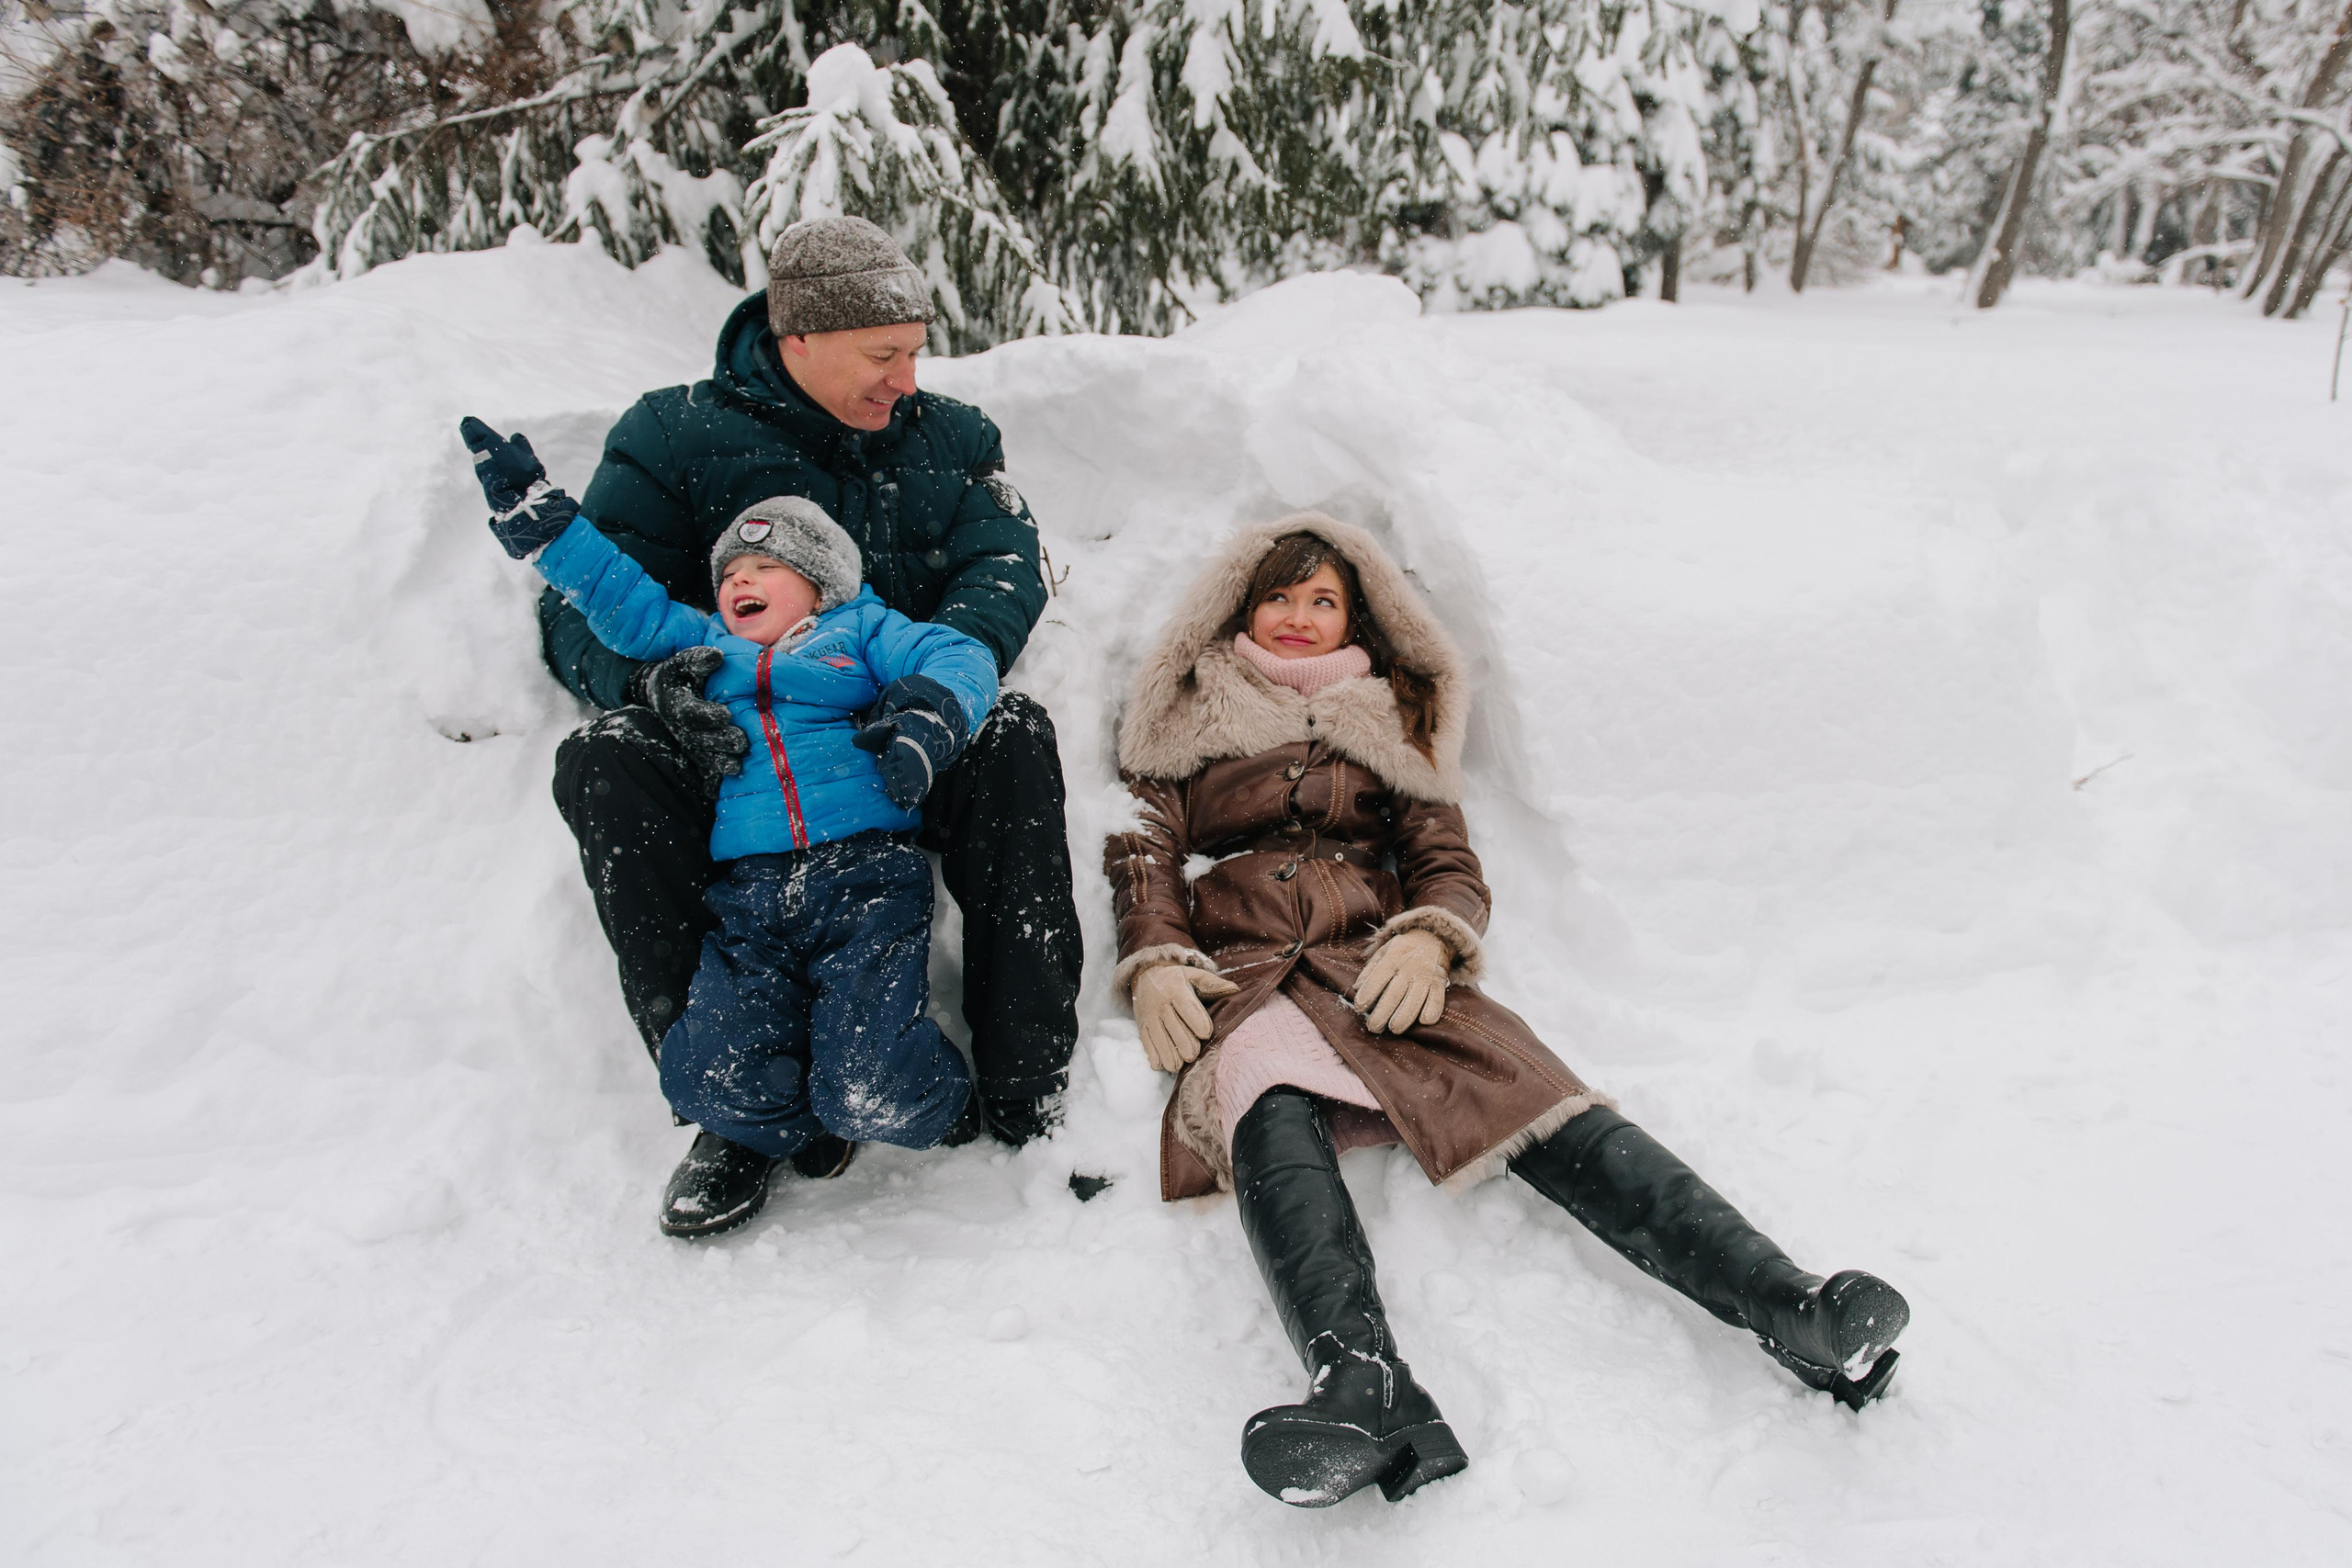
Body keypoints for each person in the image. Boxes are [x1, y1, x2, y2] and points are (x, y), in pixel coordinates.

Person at [1105, 514, 1911, 1509]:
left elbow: (1444, 856)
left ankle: (1793, 1308)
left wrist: (1430, 934)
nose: (1300, 617)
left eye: (1325, 600)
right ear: (1240, 605)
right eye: (1279, 596)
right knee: (1261, 1094)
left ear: (1358, 617)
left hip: (1374, 960)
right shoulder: (1183, 721)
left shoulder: (1392, 720)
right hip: (1252, 968)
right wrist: (1156, 960)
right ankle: (1363, 1387)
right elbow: (1140, 845)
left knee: (1536, 1098)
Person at [539, 216, 1083, 1234]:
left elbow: (1001, 567)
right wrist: (664, 691)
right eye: (885, 355)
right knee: (604, 763)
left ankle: (1026, 1082)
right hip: (744, 745)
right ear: (799, 340)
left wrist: (937, 686)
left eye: (916, 352)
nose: (907, 381)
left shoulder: (953, 437)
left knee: (1012, 734)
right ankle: (735, 1107)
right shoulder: (670, 437)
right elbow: (579, 609)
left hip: (903, 730)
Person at [465, 415, 1000, 1235]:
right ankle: (785, 1128)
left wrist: (929, 719)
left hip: (863, 880)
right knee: (712, 1070)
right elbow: (625, 603)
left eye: (766, 566)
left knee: (871, 1079)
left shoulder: (860, 632)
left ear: (822, 583)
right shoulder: (708, 648)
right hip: (749, 894)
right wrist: (548, 527)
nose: (738, 580)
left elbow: (959, 657)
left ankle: (933, 1102)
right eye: (729, 571)